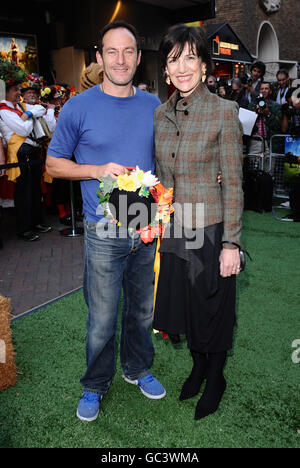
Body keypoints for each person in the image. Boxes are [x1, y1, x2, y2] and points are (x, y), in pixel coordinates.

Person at [46, 20, 166, 422]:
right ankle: (95, 385)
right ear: (99, 57)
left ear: (138, 58)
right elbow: (53, 164)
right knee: (101, 317)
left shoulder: (153, 106)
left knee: (142, 311)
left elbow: (167, 161)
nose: (120, 59)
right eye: (111, 52)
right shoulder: (78, 106)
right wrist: (97, 170)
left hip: (145, 223)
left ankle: (137, 368)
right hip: (103, 229)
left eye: (128, 51)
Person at [152, 24, 243, 420]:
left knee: (213, 309)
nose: (183, 67)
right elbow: (161, 177)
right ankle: (198, 367)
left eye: (191, 57)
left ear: (205, 66)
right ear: (166, 71)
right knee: (187, 309)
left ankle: (217, 375)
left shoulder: (224, 112)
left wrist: (231, 244)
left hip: (210, 229)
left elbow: (235, 184)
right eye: (175, 60)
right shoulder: (159, 114)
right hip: (176, 227)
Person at [0, 59, 51, 241]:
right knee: (23, 193)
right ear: (6, 92)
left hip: (32, 152)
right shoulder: (3, 110)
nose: (18, 93)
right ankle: (24, 228)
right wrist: (30, 116)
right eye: (15, 91)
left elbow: (40, 108)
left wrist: (28, 114)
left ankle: (36, 221)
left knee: (35, 190)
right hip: (20, 153)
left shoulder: (19, 107)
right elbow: (23, 130)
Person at [248, 81, 282, 158]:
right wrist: (255, 112)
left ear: (270, 91)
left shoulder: (275, 106)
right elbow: (247, 124)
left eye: (266, 89)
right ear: (259, 91)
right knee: (253, 166)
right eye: (261, 89)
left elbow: (278, 126)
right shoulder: (252, 105)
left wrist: (268, 114)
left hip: (270, 141)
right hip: (255, 141)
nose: (264, 91)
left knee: (269, 167)